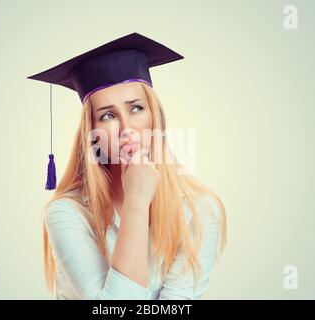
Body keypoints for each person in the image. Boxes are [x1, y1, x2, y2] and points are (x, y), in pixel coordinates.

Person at [28, 32, 227, 299]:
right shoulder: (67, 212)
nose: (126, 128)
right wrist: (136, 202)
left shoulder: (199, 210)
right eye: (108, 115)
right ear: (91, 131)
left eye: (136, 109)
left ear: (155, 116)